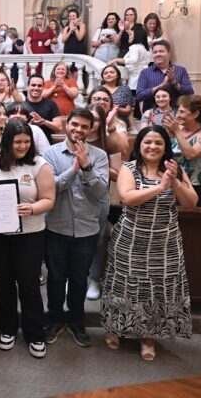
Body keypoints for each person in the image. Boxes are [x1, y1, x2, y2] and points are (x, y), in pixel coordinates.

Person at [101, 126, 197, 361]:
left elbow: (192, 202)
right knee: (124, 286)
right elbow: (127, 198)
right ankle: (117, 328)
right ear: (139, 145)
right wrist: (160, 187)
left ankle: (148, 337)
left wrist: (174, 183)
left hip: (165, 243)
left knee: (156, 291)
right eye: (147, 142)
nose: (152, 147)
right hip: (131, 240)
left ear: (166, 147)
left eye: (158, 143)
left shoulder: (174, 169)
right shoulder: (129, 167)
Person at [0, 120, 56, 358]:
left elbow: (49, 199)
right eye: (18, 141)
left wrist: (33, 209)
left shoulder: (39, 165)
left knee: (29, 284)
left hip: (30, 234)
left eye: (27, 141)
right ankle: (7, 329)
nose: (23, 146)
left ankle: (35, 333)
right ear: (8, 141)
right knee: (4, 283)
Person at [43, 108, 109, 348]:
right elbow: (50, 188)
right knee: (56, 277)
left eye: (84, 126)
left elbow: (100, 192)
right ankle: (54, 319)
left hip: (87, 228)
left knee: (80, 279)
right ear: (66, 125)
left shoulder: (100, 155)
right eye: (74, 125)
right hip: (56, 226)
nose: (78, 130)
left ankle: (76, 321)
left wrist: (88, 167)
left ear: (91, 129)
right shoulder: (50, 152)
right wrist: (73, 169)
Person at [84, 104, 123, 301]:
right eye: (88, 119)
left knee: (97, 241)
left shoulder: (109, 143)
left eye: (96, 120)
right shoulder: (76, 140)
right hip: (76, 198)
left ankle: (94, 279)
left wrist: (95, 164)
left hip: (99, 198)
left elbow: (118, 175)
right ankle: (76, 277)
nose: (91, 124)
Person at [162, 95, 201, 206]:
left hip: (194, 185)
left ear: (195, 114)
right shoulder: (175, 129)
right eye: (178, 111)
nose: (177, 115)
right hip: (171, 182)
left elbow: (190, 155)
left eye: (182, 112)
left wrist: (176, 132)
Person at [136, 40, 194, 113]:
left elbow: (189, 93)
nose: (158, 54)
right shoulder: (145, 72)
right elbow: (139, 96)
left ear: (169, 54)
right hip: (152, 116)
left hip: (177, 115)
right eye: (155, 52)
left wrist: (174, 82)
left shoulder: (180, 70)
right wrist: (161, 85)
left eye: (161, 51)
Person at [25, 74, 62, 140]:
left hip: (45, 145)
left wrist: (43, 122)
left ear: (43, 88)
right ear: (27, 87)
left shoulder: (51, 104)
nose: (36, 88)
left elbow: (59, 127)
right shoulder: (22, 104)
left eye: (39, 86)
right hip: (25, 144)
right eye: (33, 85)